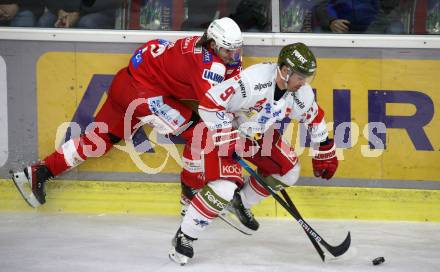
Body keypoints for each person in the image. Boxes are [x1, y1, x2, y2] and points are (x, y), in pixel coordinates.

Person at [11, 17, 243, 208]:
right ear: (212, 44)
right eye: (228, 51)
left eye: (236, 50)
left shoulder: (198, 44)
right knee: (200, 132)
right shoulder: (209, 66)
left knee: (98, 141)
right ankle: (190, 195)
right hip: (145, 96)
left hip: (127, 82)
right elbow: (213, 107)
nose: (233, 55)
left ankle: (39, 172)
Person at [169, 42, 339, 265]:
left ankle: (240, 202)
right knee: (224, 187)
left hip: (255, 133)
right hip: (221, 130)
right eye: (300, 77)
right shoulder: (253, 81)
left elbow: (313, 117)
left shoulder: (300, 93)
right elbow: (209, 103)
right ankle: (185, 236)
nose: (304, 82)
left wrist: (324, 148)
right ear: (286, 71)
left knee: (288, 171)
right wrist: (225, 134)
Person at [37, 0, 121, 29]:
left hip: (99, 10)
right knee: (44, 22)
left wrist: (78, 13)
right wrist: (59, 10)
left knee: (86, 23)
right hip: (65, 10)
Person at [314, 0, 379, 33]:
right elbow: (320, 6)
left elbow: (386, 10)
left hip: (374, 31)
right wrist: (331, 21)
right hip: (340, 31)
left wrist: (377, 28)